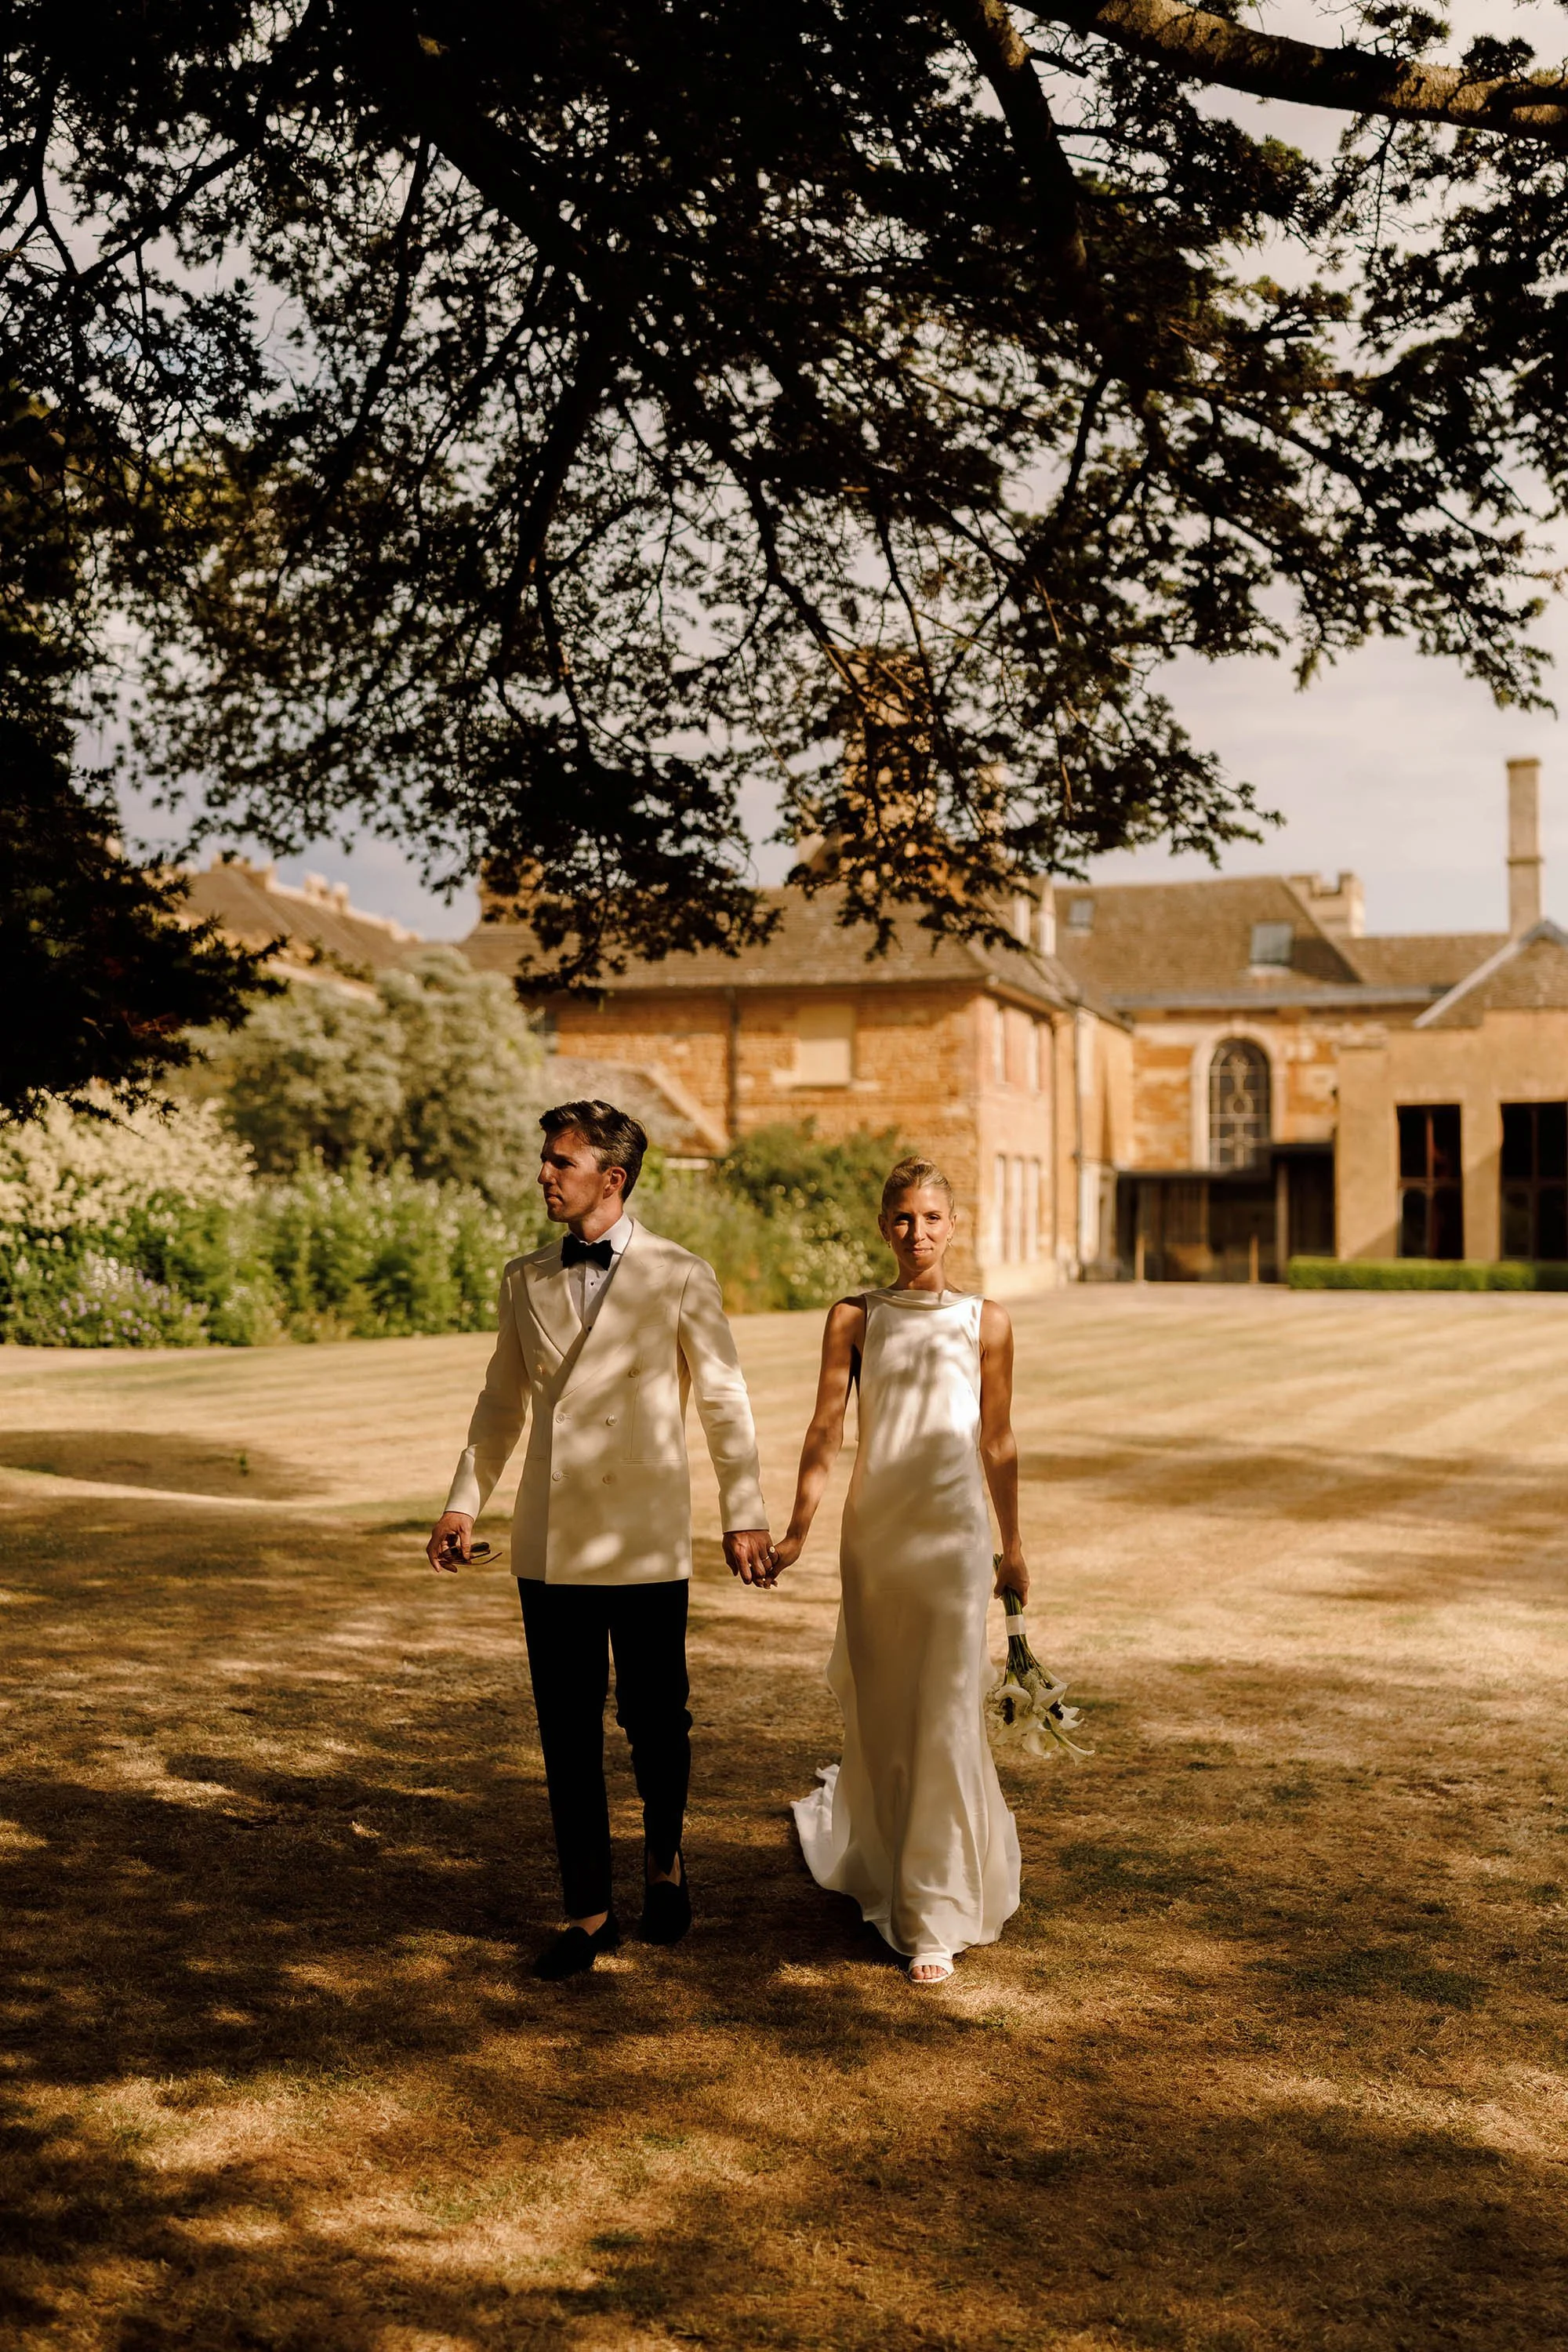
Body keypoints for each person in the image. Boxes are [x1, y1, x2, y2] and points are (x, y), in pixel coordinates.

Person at [426, 1099, 773, 1980]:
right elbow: (500, 1404)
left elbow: (724, 1401)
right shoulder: (523, 1277)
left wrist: (744, 1512)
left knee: (656, 1723)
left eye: (560, 1163)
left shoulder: (680, 1275)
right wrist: (463, 1503)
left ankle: (663, 1858)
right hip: (550, 1541)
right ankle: (587, 1912)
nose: (543, 1175)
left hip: (645, 1536)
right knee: (565, 1731)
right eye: (545, 1160)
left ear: (610, 1179)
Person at [767, 1157, 1024, 1986]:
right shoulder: (853, 1317)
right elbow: (822, 1433)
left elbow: (996, 1441)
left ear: (954, 1226)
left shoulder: (987, 1322)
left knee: (945, 1711)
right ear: (884, 1227)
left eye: (932, 1219)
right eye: (903, 1219)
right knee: (884, 1712)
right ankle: (880, 1862)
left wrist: (1010, 1545)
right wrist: (797, 1531)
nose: (918, 1234)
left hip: (952, 1538)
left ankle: (933, 1913)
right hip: (875, 1539)